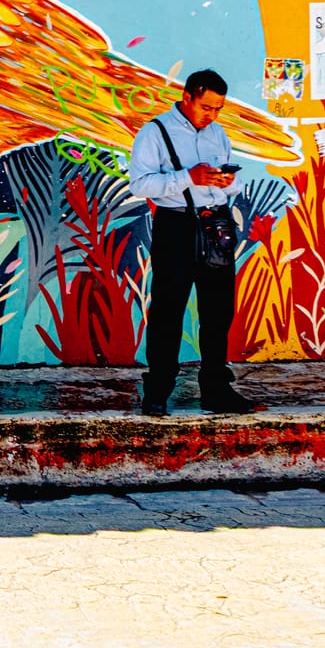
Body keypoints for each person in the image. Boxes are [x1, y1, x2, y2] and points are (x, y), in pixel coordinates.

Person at [127, 70, 258, 416]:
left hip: (216, 224)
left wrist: (228, 182)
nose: (211, 115)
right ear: (187, 97)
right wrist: (188, 177)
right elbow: (139, 185)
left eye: (218, 109)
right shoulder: (154, 132)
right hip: (176, 226)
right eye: (206, 107)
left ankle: (216, 389)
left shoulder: (218, 134)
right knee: (168, 311)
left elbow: (233, 188)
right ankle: (157, 391)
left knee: (218, 311)